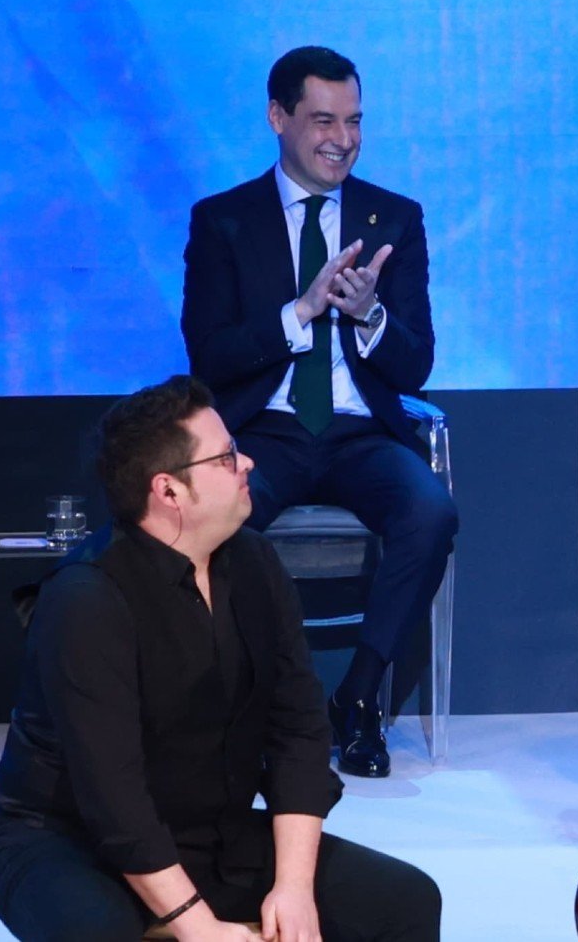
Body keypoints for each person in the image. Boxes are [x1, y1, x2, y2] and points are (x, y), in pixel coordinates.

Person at [0, 376, 442, 941]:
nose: (246, 461)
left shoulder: (255, 563)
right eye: (225, 457)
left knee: (405, 899)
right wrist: (201, 927)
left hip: (205, 828)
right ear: (168, 490)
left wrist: (293, 889)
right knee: (97, 931)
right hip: (64, 838)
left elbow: (297, 731)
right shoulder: (86, 599)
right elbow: (113, 799)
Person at [181, 45, 458, 778]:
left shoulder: (394, 217)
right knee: (218, 521)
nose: (343, 138)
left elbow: (416, 363)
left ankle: (359, 699)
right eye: (323, 120)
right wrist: (299, 311)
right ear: (278, 118)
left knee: (430, 511)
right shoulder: (224, 221)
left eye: (356, 121)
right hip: (264, 431)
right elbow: (208, 356)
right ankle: (249, 708)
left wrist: (369, 317)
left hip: (359, 433)